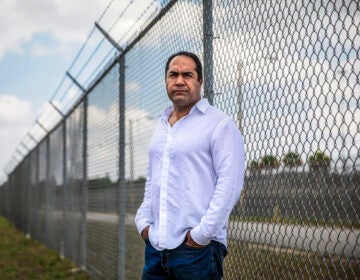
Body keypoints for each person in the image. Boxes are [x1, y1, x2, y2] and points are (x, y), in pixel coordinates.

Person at [135, 51, 245, 279]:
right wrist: (143, 221)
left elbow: (230, 185)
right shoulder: (161, 126)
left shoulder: (219, 124)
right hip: (156, 247)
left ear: (200, 81)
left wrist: (202, 234)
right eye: (173, 75)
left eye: (187, 75)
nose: (179, 81)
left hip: (197, 251)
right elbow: (153, 179)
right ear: (166, 80)